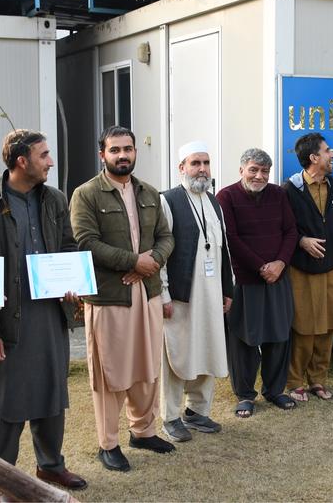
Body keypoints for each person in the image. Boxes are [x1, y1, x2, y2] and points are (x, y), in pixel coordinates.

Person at [0, 129, 87, 491]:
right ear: (22, 161)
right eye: (44, 155)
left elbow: (67, 246)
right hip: (8, 322)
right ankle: (4, 480)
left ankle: (50, 465)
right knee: (7, 404)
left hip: (50, 315)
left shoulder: (55, 199)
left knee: (52, 393)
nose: (51, 161)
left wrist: (73, 283)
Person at [70, 126, 175, 472]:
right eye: (114, 150)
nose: (122, 155)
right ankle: (108, 443)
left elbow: (165, 236)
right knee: (110, 372)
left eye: (127, 149)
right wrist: (134, 262)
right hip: (109, 297)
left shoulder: (149, 192)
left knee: (147, 367)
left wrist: (152, 263)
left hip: (148, 293)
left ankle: (143, 431)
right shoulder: (86, 194)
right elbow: (85, 242)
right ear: (102, 155)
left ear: (135, 152)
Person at [158, 142, 233, 440]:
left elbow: (223, 249)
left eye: (206, 163)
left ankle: (198, 411)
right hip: (182, 294)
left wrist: (228, 289)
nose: (202, 169)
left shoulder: (214, 202)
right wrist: (163, 294)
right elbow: (160, 252)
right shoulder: (169, 201)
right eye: (195, 163)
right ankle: (171, 416)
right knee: (178, 354)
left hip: (212, 294)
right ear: (182, 168)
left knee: (208, 348)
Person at [217, 148, 298, 417]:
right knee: (244, 338)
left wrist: (280, 263)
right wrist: (261, 266)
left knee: (279, 334)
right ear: (241, 170)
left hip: (278, 277)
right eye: (253, 169)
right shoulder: (226, 197)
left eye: (264, 171)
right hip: (244, 280)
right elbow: (231, 237)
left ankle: (275, 390)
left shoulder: (279, 194)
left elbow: (290, 231)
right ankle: (245, 395)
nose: (259, 176)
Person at [283, 132, 333, 402]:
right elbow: (284, 228)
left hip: (331, 267)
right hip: (302, 269)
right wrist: (302, 241)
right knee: (304, 326)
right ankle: (294, 382)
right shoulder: (290, 189)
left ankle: (318, 380)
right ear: (314, 157)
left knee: (328, 324)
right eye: (328, 151)